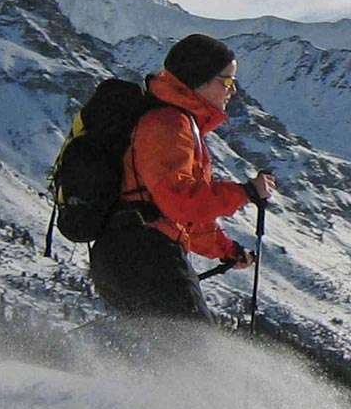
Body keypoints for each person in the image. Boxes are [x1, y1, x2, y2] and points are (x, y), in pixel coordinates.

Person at [89, 34, 276, 323]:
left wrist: (227, 250)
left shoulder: (179, 123)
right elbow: (180, 201)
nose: (233, 91)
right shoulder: (167, 124)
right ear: (199, 79)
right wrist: (246, 192)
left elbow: (183, 216)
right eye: (227, 81)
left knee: (163, 355)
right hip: (146, 253)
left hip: (126, 253)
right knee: (197, 350)